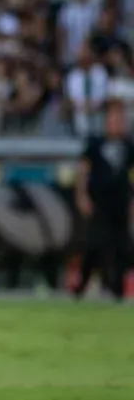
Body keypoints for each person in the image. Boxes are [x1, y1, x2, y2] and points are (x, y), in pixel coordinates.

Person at [73, 99, 132, 301]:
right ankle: (82, 285)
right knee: (94, 244)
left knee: (121, 246)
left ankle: (117, 289)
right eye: (112, 118)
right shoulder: (95, 144)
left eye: (119, 119)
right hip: (99, 204)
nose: (116, 122)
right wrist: (81, 195)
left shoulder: (129, 146)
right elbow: (82, 171)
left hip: (120, 204)